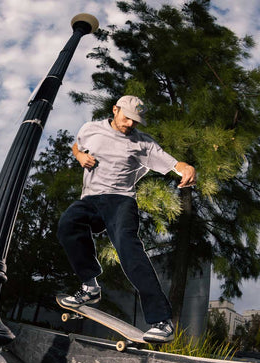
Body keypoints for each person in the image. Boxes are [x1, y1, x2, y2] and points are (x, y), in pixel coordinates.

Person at [57, 96, 196, 343]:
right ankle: (90, 287)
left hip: (120, 201)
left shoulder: (143, 143)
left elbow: (173, 162)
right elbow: (76, 145)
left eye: (135, 121)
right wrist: (79, 157)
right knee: (67, 224)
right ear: (115, 110)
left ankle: (161, 321)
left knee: (128, 247)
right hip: (89, 198)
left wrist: (186, 169)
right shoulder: (91, 129)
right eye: (126, 117)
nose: (130, 124)